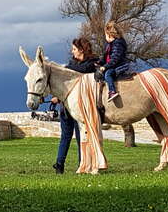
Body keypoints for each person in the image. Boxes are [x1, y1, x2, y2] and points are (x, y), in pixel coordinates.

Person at [51, 37, 98, 174]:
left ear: (82, 50)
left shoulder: (91, 64)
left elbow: (81, 70)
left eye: (74, 49)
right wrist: (57, 98)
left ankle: (82, 163)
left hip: (82, 107)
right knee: (65, 136)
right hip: (67, 107)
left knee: (80, 136)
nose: (72, 52)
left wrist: (65, 68)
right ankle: (59, 164)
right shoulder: (72, 64)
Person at [97, 21, 129, 102]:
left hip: (119, 66)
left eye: (106, 35)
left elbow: (115, 59)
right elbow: (105, 56)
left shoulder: (118, 43)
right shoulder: (109, 44)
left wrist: (105, 67)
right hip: (111, 65)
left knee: (108, 74)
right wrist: (99, 62)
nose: (105, 37)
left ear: (110, 34)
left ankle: (112, 91)